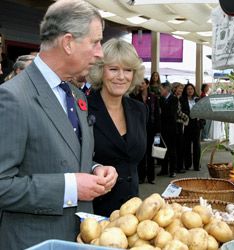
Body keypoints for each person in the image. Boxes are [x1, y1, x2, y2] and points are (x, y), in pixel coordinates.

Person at [0, 1, 118, 249]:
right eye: (95, 42)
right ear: (67, 43)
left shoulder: (77, 96)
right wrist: (71, 187)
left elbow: (63, 154)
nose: (100, 53)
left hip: (78, 238)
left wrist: (95, 169)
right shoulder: (13, 97)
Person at [87, 38, 147, 217]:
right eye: (113, 69)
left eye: (127, 70)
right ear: (100, 71)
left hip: (132, 212)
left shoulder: (139, 110)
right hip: (93, 211)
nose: (121, 77)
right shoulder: (83, 108)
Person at [130, 78, 160, 184]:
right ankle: (141, 177)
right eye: (139, 83)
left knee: (151, 153)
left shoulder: (153, 97)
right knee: (141, 153)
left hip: (151, 128)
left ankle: (151, 177)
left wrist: (157, 130)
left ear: (147, 85)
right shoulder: (134, 97)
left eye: (143, 83)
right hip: (139, 128)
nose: (140, 85)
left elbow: (157, 113)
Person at [158, 82, 178, 178]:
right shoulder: (160, 99)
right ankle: (164, 169)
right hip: (163, 128)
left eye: (161, 89)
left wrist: (163, 112)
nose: (160, 91)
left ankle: (172, 170)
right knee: (163, 149)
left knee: (172, 150)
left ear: (166, 89)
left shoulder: (174, 99)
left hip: (172, 128)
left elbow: (171, 113)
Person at [181, 83, 202, 171]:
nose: (190, 90)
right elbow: (182, 111)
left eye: (191, 89)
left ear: (194, 90)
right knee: (187, 146)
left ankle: (197, 165)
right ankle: (188, 164)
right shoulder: (182, 100)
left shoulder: (197, 99)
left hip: (196, 125)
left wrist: (201, 123)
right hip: (187, 124)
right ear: (186, 90)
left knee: (196, 146)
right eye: (188, 89)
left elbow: (202, 111)